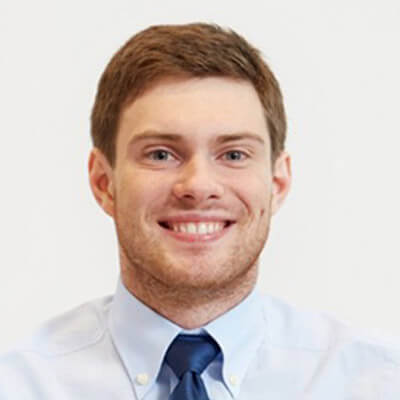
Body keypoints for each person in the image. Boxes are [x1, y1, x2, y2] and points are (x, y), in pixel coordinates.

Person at [0, 22, 399, 399]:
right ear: (104, 183)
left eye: (234, 154)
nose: (198, 186)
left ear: (277, 182)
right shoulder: (17, 384)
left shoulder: (374, 382)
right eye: (160, 154)